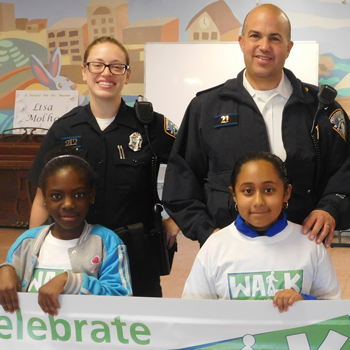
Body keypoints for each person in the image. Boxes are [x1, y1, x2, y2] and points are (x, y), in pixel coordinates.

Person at [162, 3, 350, 248]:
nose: (264, 46)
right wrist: (207, 232)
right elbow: (182, 180)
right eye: (255, 36)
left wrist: (329, 209)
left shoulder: (321, 109)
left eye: (275, 38)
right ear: (241, 42)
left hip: (302, 250)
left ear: (288, 47)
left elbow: (344, 171)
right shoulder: (206, 108)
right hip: (227, 253)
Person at [28, 36, 179, 297]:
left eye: (116, 66)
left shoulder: (151, 126)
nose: (106, 73)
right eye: (97, 65)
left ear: (127, 75)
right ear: (85, 72)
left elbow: (191, 167)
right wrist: (31, 246)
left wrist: (175, 219)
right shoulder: (64, 129)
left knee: (140, 327)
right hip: (75, 252)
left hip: (137, 254)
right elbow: (43, 195)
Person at [182, 151, 342, 312]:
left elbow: (333, 308)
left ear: (286, 193)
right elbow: (192, 311)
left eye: (269, 190)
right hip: (232, 338)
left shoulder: (309, 244)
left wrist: (304, 301)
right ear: (234, 195)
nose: (258, 202)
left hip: (293, 337)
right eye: (248, 191)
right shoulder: (215, 246)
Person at [0, 147, 132, 316]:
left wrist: (73, 281)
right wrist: (5, 270)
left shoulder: (107, 242)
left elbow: (123, 300)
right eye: (56, 196)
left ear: (91, 195)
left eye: (79, 195)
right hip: (34, 338)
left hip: (89, 338)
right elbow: (9, 282)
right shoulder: (27, 241)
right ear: (45, 199)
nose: (68, 204)